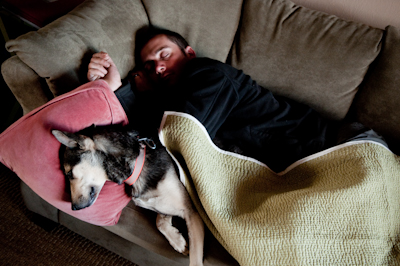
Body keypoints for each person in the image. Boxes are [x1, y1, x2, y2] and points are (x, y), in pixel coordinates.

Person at [87, 27, 386, 173]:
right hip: (306, 162)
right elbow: (163, 130)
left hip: (342, 144)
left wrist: (130, 94)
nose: (159, 67)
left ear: (189, 53)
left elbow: (176, 139)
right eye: (150, 66)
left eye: (164, 54)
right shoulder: (177, 100)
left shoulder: (211, 75)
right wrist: (114, 88)